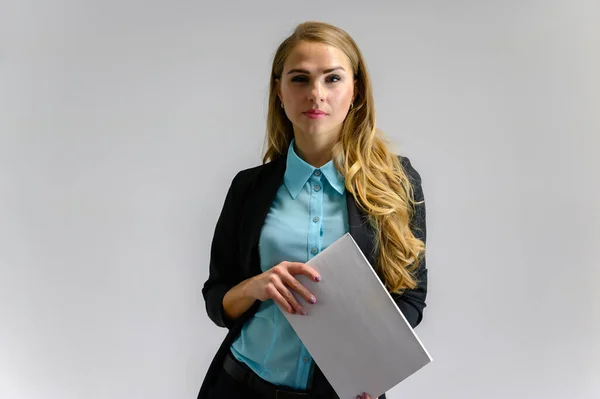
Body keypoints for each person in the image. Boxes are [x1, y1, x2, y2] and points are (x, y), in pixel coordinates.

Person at [197, 21, 427, 399]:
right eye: (300, 79)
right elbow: (216, 297)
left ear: (356, 90)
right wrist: (255, 287)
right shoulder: (248, 188)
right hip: (238, 386)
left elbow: (411, 297)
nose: (316, 94)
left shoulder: (397, 182)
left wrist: (371, 364)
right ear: (280, 92)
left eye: (332, 79)